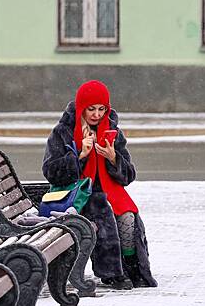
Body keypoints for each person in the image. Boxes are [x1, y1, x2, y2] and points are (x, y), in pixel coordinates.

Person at [42, 80, 157, 290]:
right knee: (102, 215)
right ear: (81, 108)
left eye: (101, 109)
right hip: (79, 194)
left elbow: (128, 176)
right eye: (91, 109)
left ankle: (132, 268)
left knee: (127, 216)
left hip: (109, 189)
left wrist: (114, 159)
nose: (96, 115)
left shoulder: (112, 132)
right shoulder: (63, 131)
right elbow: (50, 172)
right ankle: (112, 273)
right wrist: (79, 156)